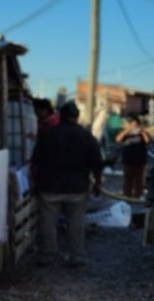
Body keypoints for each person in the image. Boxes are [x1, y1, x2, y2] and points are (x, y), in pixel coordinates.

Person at [30, 102, 103, 268]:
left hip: (50, 187)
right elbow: (97, 164)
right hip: (77, 188)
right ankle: (76, 256)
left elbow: (35, 163)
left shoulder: (48, 134)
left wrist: (36, 183)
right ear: (77, 117)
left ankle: (47, 256)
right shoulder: (86, 136)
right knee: (76, 223)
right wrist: (97, 184)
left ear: (60, 116)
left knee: (47, 223)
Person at [115, 116, 150, 198]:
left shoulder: (142, 133)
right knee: (127, 181)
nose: (134, 126)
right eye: (132, 124)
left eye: (136, 124)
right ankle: (127, 196)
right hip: (127, 161)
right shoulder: (125, 132)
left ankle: (138, 196)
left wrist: (142, 132)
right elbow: (117, 139)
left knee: (139, 181)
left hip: (140, 161)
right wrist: (127, 130)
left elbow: (147, 141)